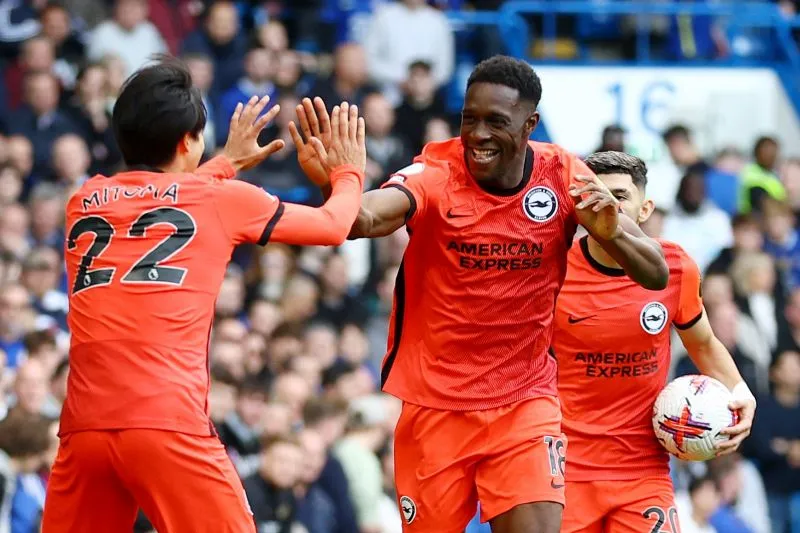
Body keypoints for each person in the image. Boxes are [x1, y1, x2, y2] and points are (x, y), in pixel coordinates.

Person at [289, 55, 669, 533]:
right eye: (469, 118)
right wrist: (338, 181)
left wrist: (611, 232)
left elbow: (656, 273)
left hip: (523, 401)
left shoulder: (563, 174)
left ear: (530, 124)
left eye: (496, 122)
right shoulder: (436, 173)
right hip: (435, 406)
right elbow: (364, 219)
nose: (478, 134)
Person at [41, 56, 367, 533]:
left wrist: (222, 164)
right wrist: (348, 173)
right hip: (166, 422)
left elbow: (159, 197)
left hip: (84, 430)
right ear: (187, 141)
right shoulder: (222, 200)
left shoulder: (82, 200)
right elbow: (335, 225)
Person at [552, 151, 757, 533]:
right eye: (592, 195)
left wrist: (741, 390)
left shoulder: (676, 266)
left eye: (618, 196)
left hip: (643, 467)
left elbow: (704, 343)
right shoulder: (554, 268)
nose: (604, 206)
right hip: (566, 468)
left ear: (644, 209)